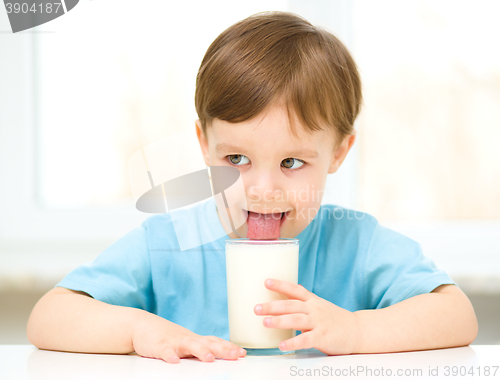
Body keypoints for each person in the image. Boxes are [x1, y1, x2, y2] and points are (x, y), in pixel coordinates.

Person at [27, 11, 478, 363]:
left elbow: (457, 315)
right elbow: (49, 317)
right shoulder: (166, 245)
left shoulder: (357, 245)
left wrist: (357, 330)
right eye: (236, 159)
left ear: (340, 152)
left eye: (292, 162)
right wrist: (138, 330)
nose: (262, 189)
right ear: (204, 144)